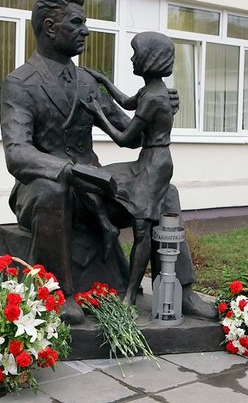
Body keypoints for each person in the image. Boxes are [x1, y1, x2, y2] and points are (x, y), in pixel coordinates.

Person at [0, 0, 217, 324]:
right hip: (43, 188)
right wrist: (69, 170)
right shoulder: (20, 83)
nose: (86, 31)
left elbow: (130, 136)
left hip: (94, 186)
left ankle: (181, 290)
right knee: (51, 190)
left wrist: (159, 110)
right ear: (49, 27)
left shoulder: (87, 82)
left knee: (165, 192)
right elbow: (17, 153)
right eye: (77, 23)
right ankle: (59, 293)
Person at [80, 31, 177, 306]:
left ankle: (131, 293)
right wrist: (103, 81)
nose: (132, 59)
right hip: (146, 160)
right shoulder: (150, 90)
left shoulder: (155, 98)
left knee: (142, 229)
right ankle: (108, 228)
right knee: (92, 177)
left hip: (156, 165)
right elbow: (126, 102)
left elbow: (125, 139)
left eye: (136, 54)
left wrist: (98, 115)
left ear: (150, 59)